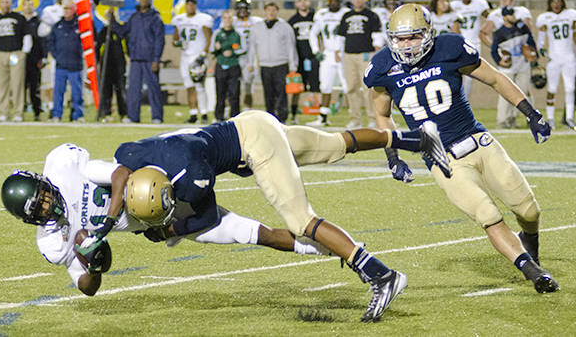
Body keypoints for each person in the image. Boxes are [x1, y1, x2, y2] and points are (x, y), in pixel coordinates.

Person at [76, 110, 452, 321]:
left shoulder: (192, 180)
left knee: (300, 221)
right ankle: (417, 139)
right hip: (252, 122)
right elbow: (121, 175)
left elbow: (206, 220)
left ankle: (380, 275)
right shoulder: (132, 156)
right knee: (335, 145)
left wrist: (171, 226)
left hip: (256, 145)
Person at [365, 3, 559, 294]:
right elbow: (382, 114)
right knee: (486, 214)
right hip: (441, 157)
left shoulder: (450, 48)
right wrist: (392, 156)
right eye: (399, 38)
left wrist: (531, 113)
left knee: (528, 210)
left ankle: (530, 241)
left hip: (478, 140)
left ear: (428, 33)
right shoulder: (382, 69)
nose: (406, 45)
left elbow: (494, 78)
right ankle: (532, 271)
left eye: (413, 37)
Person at [0, 143, 340, 296]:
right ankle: (329, 249)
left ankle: (269, 149)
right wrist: (95, 268)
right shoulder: (52, 242)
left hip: (159, 184)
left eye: (43, 196)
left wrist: (106, 223)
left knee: (232, 160)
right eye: (39, 209)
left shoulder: (63, 166)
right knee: (248, 233)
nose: (47, 205)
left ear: (43, 183)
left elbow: (120, 173)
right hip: (163, 224)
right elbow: (86, 289)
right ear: (30, 219)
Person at [112, 0, 165, 124]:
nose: (143, 1)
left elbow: (159, 40)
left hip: (149, 59)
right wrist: (112, 20)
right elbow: (123, 31)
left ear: (149, 0)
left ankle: (157, 116)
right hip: (135, 59)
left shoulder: (155, 18)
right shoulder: (134, 17)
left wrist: (156, 59)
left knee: (153, 89)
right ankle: (133, 117)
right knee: (133, 90)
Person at [336, 0, 381, 129]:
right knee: (351, 88)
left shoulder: (371, 15)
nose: (358, 0)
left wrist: (377, 49)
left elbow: (377, 34)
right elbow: (341, 35)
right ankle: (355, 119)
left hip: (366, 55)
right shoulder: (346, 15)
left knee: (368, 88)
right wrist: (337, 50)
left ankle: (373, 119)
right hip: (349, 55)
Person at [248, 2, 297, 123]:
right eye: (268, 10)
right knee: (268, 92)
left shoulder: (285, 27)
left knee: (281, 92)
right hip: (265, 65)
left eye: (274, 10)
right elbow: (252, 47)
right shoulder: (256, 27)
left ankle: (282, 117)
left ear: (277, 11)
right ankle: (269, 117)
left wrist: (293, 65)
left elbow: (291, 47)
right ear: (265, 11)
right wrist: (251, 63)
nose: (271, 12)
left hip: (281, 63)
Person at [0, 0, 31, 122]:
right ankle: (3, 112)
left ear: (11, 3)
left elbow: (27, 36)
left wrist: (23, 52)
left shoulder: (19, 18)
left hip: (15, 54)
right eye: (3, 2)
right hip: (0, 54)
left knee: (17, 83)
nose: (5, 4)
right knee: (2, 84)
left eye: (8, 2)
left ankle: (18, 112)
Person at [491, 6, 537, 129]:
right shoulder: (499, 33)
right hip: (508, 68)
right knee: (505, 95)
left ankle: (512, 120)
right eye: (510, 15)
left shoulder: (522, 28)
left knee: (520, 94)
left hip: (522, 65)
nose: (513, 17)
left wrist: (534, 54)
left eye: (513, 14)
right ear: (504, 17)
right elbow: (494, 51)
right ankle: (502, 121)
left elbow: (531, 42)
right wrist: (499, 62)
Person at [308, 0, 350, 127]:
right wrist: (316, 51)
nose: (333, 3)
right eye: (330, 1)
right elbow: (313, 34)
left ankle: (354, 118)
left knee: (348, 86)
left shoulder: (346, 13)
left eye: (335, 1)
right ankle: (323, 117)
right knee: (325, 86)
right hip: (327, 54)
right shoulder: (322, 14)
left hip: (343, 53)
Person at [535, 0, 576, 130]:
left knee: (570, 88)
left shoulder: (571, 14)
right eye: (553, 2)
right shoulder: (545, 18)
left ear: (562, 2)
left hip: (569, 57)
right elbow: (540, 43)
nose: (556, 4)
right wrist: (546, 55)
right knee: (551, 89)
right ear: (550, 3)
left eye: (558, 1)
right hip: (554, 58)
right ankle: (550, 119)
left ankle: (569, 118)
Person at [172, 0, 213, 124]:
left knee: (199, 86)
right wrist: (178, 43)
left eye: (192, 5)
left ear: (195, 6)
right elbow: (175, 39)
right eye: (188, 5)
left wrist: (203, 54)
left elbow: (209, 38)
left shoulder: (203, 19)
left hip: (197, 57)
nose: (190, 7)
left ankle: (204, 113)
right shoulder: (179, 19)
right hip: (185, 57)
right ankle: (193, 114)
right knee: (189, 86)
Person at [47, 0, 84, 123]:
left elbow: (89, 41)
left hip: (76, 65)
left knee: (77, 92)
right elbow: (51, 43)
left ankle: (78, 115)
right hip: (61, 65)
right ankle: (57, 115)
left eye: (69, 8)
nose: (67, 11)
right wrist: (57, 56)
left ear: (74, 9)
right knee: (58, 92)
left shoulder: (81, 25)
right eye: (65, 8)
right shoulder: (57, 26)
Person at [450, 0, 490, 100]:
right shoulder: (454, 5)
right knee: (455, 72)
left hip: (474, 43)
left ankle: (465, 100)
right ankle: (455, 98)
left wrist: (486, 27)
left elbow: (489, 16)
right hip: (458, 42)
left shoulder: (479, 4)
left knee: (470, 75)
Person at [38, 0, 72, 117]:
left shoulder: (74, 8)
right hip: (56, 50)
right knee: (54, 81)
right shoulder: (49, 10)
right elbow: (42, 32)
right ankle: (53, 108)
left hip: (72, 50)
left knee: (75, 82)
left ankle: (74, 108)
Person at [287, 0, 319, 124]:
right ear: (296, 4)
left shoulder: (316, 18)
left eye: (305, 1)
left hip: (314, 56)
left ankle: (320, 115)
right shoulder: (292, 20)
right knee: (297, 88)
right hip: (298, 57)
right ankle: (293, 114)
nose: (303, 3)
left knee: (317, 86)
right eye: (300, 1)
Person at [96, 8, 128, 123]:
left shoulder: (120, 30)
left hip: (119, 65)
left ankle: (123, 114)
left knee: (121, 90)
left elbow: (126, 45)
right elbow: (97, 47)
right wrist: (97, 62)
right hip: (107, 66)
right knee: (106, 91)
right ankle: (106, 113)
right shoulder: (104, 31)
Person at [211, 10, 243, 121]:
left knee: (234, 94)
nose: (227, 20)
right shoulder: (217, 34)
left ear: (232, 19)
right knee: (220, 94)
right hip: (221, 66)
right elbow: (211, 50)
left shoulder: (237, 34)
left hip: (234, 66)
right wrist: (217, 49)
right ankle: (219, 118)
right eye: (225, 18)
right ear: (222, 20)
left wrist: (233, 52)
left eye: (230, 18)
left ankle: (235, 118)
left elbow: (243, 49)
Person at [232, 0, 263, 111]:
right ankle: (229, 110)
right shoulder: (232, 21)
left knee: (248, 86)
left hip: (250, 57)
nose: (243, 11)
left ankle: (247, 110)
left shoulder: (256, 21)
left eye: (245, 9)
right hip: (235, 57)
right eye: (240, 9)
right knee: (232, 86)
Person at [22, 0, 45, 122]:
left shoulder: (38, 22)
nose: (28, 7)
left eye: (31, 5)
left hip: (34, 58)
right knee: (20, 86)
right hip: (20, 58)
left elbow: (42, 41)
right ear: (22, 7)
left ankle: (37, 112)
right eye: (26, 5)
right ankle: (19, 111)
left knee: (35, 87)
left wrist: (43, 57)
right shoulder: (19, 21)